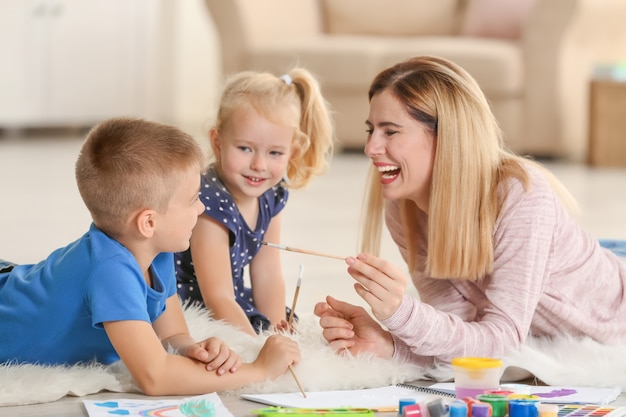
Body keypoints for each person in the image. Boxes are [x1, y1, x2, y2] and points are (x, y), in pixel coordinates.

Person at [314, 55, 626, 371]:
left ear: (446, 136)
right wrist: (389, 346)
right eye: (371, 130)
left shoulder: (521, 196)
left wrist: (402, 313)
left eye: (390, 132)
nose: (370, 148)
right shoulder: (402, 207)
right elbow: (462, 337)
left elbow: (501, 344)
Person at [0, 117, 300, 396]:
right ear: (149, 223)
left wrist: (192, 349)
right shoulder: (111, 271)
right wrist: (258, 370)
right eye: (194, 200)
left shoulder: (155, 249)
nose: (201, 209)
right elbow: (155, 377)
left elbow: (172, 331)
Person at [175, 67, 334, 336]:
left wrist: (275, 332)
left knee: (285, 326)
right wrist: (257, 348)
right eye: (245, 148)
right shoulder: (209, 202)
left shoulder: (270, 195)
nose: (259, 165)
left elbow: (268, 274)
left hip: (229, 298)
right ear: (218, 142)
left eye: (274, 152)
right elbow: (217, 296)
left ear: (291, 152)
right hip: (189, 303)